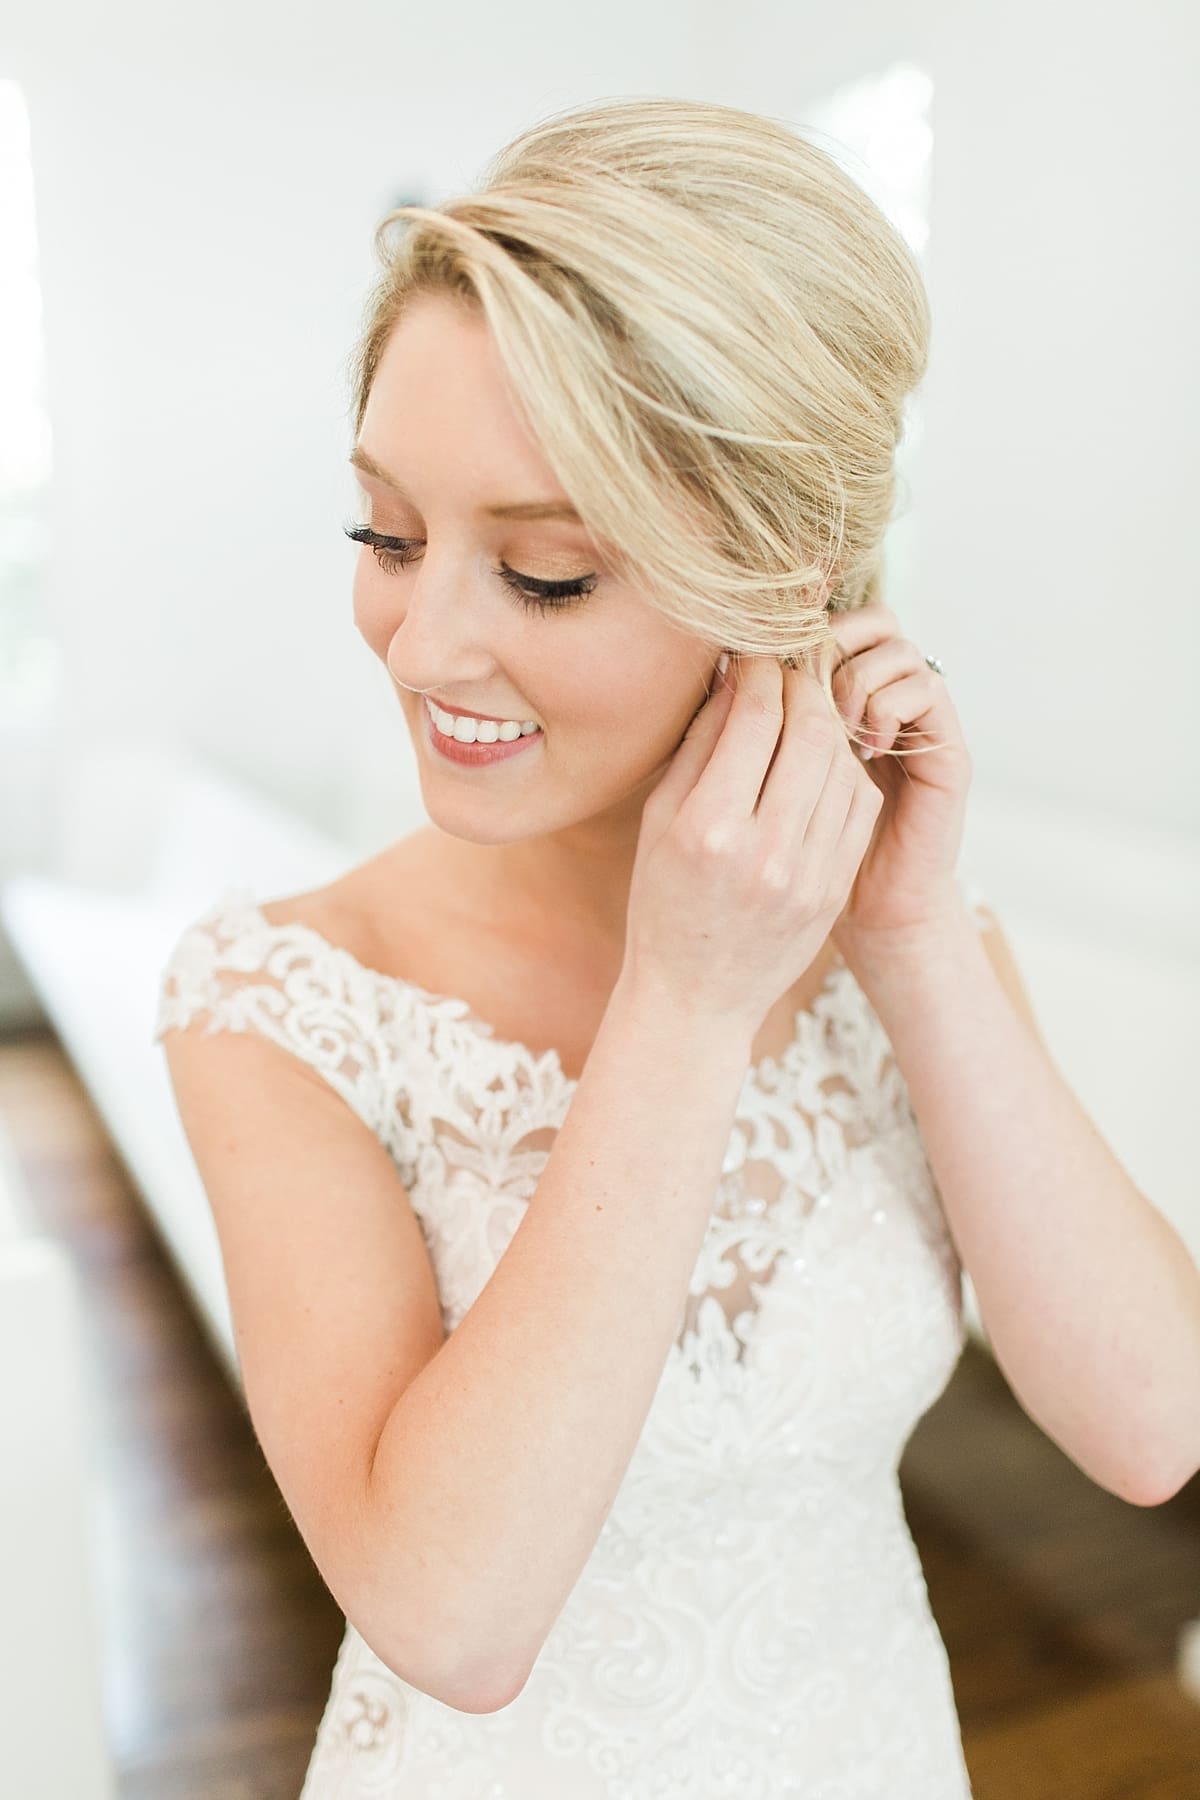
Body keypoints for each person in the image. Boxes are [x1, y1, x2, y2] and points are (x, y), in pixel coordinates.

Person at [153, 93, 1191, 1800]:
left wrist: (915, 933)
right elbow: (453, 1618)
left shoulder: (912, 951)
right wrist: (689, 999)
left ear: (786, 581)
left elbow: (1153, 1432)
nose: (422, 643)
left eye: (545, 574)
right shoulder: (276, 1001)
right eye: (388, 535)